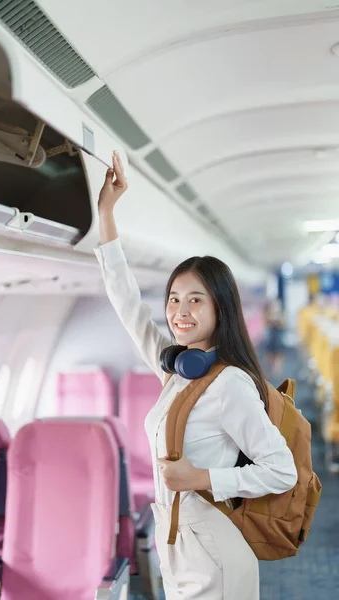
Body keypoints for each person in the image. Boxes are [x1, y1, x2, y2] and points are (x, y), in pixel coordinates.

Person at [94, 151, 297, 600]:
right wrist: (106, 213)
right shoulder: (177, 371)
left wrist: (201, 477)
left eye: (195, 300)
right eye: (173, 299)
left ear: (220, 307)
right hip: (177, 546)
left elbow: (282, 472)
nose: (179, 312)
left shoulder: (229, 383)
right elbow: (127, 302)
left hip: (211, 550)